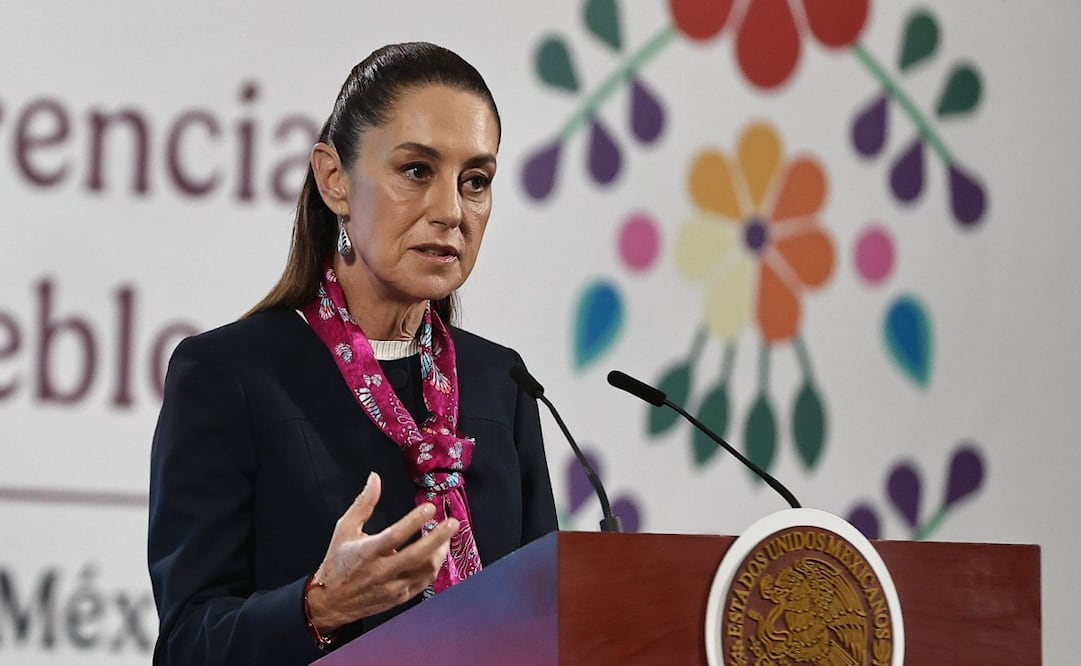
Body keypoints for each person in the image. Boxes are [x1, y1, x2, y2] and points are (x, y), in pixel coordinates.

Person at [147, 42, 558, 665]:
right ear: (334, 179)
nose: (451, 211)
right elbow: (187, 646)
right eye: (417, 170)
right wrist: (319, 606)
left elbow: (545, 620)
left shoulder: (502, 382)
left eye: (475, 181)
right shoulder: (230, 376)